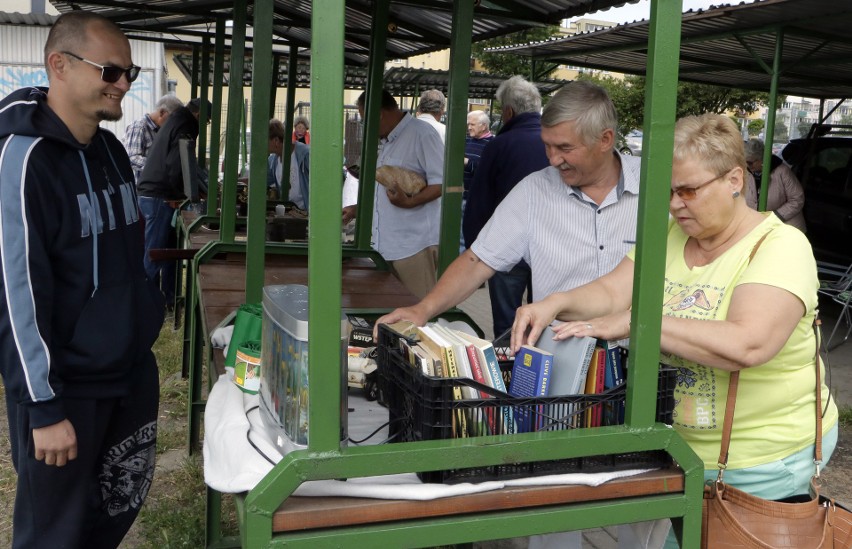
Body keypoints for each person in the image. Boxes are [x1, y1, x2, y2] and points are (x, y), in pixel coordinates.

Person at [511, 114, 839, 548]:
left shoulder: (780, 246)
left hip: (757, 457)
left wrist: (639, 324)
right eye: (667, 192)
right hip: (678, 449)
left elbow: (748, 343)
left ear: (735, 179)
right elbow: (615, 289)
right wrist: (555, 301)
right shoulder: (672, 233)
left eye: (688, 190)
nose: (675, 204)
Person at [0, 11, 165, 548]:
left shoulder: (112, 150)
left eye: (131, 75)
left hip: (126, 372)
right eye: (111, 71)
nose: (123, 85)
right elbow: (15, 291)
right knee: (54, 533)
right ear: (59, 66)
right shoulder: (24, 161)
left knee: (111, 514)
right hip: (68, 390)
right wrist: (43, 407)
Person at [375, 81, 641, 346]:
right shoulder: (535, 190)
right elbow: (478, 261)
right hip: (560, 362)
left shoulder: (657, 187)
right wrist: (423, 309)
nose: (552, 159)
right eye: (547, 145)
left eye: (565, 148)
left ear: (605, 139)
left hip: (645, 361)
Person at [461, 75, 550, 336]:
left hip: (507, 248)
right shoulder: (554, 142)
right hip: (549, 247)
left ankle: (507, 372)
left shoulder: (499, 145)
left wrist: (475, 250)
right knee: (545, 320)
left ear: (509, 111)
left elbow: (481, 200)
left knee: (506, 325)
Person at [352, 88, 444, 299]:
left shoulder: (422, 133)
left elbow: (441, 184)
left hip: (414, 247)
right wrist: (357, 210)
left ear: (380, 114)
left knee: (418, 313)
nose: (366, 127)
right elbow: (385, 189)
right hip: (386, 246)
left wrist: (410, 203)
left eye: (366, 120)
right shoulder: (387, 141)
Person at [137, 97, 210, 307]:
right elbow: (178, 161)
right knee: (155, 255)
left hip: (152, 192)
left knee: (165, 253)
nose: (203, 126)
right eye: (205, 121)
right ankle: (142, 306)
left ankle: (167, 300)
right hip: (159, 196)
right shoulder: (187, 123)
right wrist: (177, 194)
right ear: (198, 115)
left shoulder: (175, 118)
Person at [744, 137, 807, 232]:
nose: (747, 166)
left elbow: (797, 199)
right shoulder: (747, 172)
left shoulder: (782, 171)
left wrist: (775, 216)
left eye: (750, 163)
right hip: (762, 228)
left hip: (787, 229)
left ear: (761, 159)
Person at [122, 93, 182, 183]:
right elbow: (132, 158)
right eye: (172, 118)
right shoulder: (139, 127)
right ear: (162, 112)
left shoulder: (161, 129)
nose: (173, 123)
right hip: (141, 189)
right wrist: (159, 165)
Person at [460, 110, 493, 252]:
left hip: (477, 200)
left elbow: (490, 170)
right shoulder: (465, 141)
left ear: (484, 126)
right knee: (460, 236)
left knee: (477, 234)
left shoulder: (493, 144)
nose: (469, 127)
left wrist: (468, 163)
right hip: (460, 196)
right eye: (468, 124)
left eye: (472, 124)